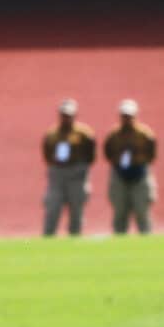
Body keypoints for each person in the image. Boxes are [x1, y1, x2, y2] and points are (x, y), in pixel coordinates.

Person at [104, 98, 159, 235]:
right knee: (120, 213)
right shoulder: (113, 135)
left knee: (142, 212)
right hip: (120, 175)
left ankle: (146, 243)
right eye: (124, 116)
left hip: (139, 174)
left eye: (129, 116)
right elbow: (108, 153)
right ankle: (119, 242)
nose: (127, 119)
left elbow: (151, 154)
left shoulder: (144, 134)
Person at [41, 98, 96, 236]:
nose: (66, 118)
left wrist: (80, 168)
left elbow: (91, 154)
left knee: (76, 210)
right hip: (57, 175)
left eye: (69, 116)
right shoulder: (52, 134)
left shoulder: (84, 134)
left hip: (76, 175)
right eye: (64, 115)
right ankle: (48, 238)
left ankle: (75, 238)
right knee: (52, 207)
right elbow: (47, 154)